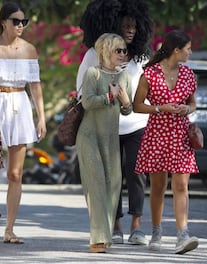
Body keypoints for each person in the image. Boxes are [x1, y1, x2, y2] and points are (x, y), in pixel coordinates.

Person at [76, 0, 153, 246]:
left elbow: (148, 92)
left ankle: (137, 227)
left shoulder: (141, 57)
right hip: (104, 128)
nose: (131, 29)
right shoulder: (92, 57)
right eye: (126, 25)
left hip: (137, 124)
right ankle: (115, 225)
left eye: (134, 25)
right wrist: (107, 94)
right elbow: (81, 93)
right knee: (112, 177)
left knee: (136, 174)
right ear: (111, 24)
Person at [0, 2, 47, 244]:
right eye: (16, 21)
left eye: (24, 22)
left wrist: (41, 117)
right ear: (3, 22)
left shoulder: (29, 50)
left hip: (20, 106)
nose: (20, 25)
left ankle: (9, 229)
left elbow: (36, 85)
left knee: (16, 174)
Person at [133, 30, 199, 255]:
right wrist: (161, 108)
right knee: (159, 186)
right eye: (188, 48)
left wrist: (186, 109)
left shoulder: (189, 75)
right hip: (157, 134)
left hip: (180, 135)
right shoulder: (150, 74)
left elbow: (193, 104)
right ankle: (156, 231)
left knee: (181, 185)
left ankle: (183, 234)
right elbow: (137, 105)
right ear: (176, 50)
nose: (190, 52)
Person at [76, 33, 132, 253]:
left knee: (114, 185)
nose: (122, 54)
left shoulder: (125, 77)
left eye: (124, 51)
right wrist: (109, 97)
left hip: (111, 139)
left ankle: (105, 234)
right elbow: (88, 102)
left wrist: (124, 100)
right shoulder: (93, 74)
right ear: (106, 51)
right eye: (118, 50)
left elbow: (127, 110)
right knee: (97, 185)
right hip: (89, 137)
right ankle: (98, 238)